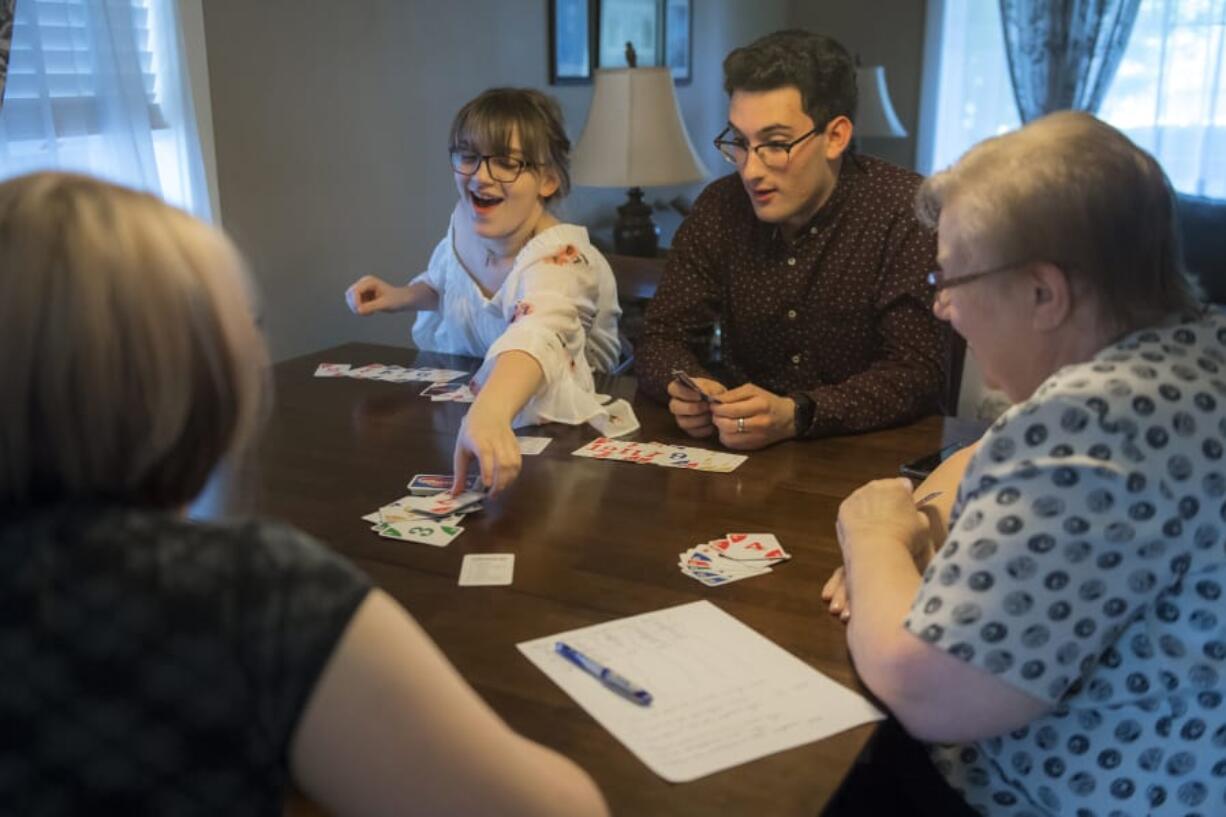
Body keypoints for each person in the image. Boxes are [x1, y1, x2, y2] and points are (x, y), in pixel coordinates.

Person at [0, 172, 609, 817]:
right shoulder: (258, 592)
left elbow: (540, 324)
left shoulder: (557, 253)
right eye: (247, 323)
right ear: (194, 377)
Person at [821, 112, 1225, 816]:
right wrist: (933, 518)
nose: (943, 307)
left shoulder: (1094, 422)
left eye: (952, 277)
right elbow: (983, 452)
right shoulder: (1194, 351)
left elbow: (926, 691)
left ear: (1044, 293)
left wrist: (875, 534)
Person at [637, 29, 946, 451]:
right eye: (740, 144)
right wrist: (686, 387)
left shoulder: (904, 210)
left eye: (776, 144)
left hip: (871, 459)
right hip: (740, 455)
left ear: (835, 136)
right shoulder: (719, 208)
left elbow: (917, 374)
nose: (750, 170)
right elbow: (661, 337)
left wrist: (799, 413)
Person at [345, 87, 632, 495]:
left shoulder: (565, 257)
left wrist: (491, 411)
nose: (480, 176)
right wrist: (400, 296)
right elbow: (448, 284)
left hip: (563, 443)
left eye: (505, 163)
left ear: (548, 179)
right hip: (470, 420)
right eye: (468, 156)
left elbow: (537, 331)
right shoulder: (465, 219)